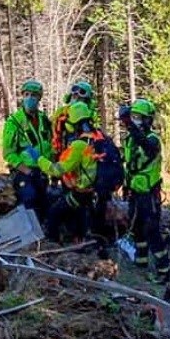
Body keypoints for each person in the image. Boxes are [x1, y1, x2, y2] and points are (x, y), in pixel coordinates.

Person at [35, 101, 105, 243]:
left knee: (54, 213)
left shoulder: (79, 145)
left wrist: (39, 159)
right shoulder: (98, 138)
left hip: (81, 193)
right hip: (94, 191)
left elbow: (57, 170)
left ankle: (53, 243)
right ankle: (81, 239)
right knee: (80, 216)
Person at [119, 98, 169, 282]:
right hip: (134, 191)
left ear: (148, 120)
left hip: (149, 194)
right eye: (133, 117)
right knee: (137, 230)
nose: (135, 121)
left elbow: (147, 149)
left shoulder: (152, 140)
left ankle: (164, 270)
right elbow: (129, 164)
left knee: (152, 231)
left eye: (139, 117)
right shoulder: (130, 140)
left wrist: (129, 124)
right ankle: (141, 262)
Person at [3, 79, 53, 220]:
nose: (30, 98)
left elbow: (49, 145)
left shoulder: (44, 120)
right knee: (28, 199)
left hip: (42, 171)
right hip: (24, 172)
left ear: (39, 98)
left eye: (34, 95)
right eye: (26, 94)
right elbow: (8, 153)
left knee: (44, 205)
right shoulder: (14, 122)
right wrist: (26, 170)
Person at [51, 80, 99, 154]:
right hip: (63, 149)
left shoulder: (88, 113)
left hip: (80, 149)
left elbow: (89, 134)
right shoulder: (62, 111)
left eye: (79, 97)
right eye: (74, 96)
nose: (76, 98)